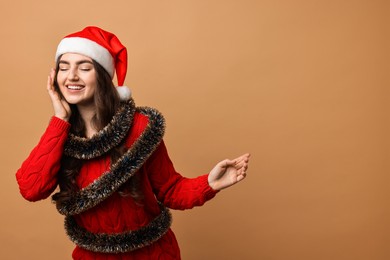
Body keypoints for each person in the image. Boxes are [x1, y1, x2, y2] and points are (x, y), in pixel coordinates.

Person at [16, 26, 250, 260]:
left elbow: (170, 190)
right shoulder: (60, 136)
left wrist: (209, 183)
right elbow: (31, 189)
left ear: (103, 76)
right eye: (64, 67)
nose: (71, 76)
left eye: (84, 67)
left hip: (153, 254)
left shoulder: (139, 126)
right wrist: (60, 119)